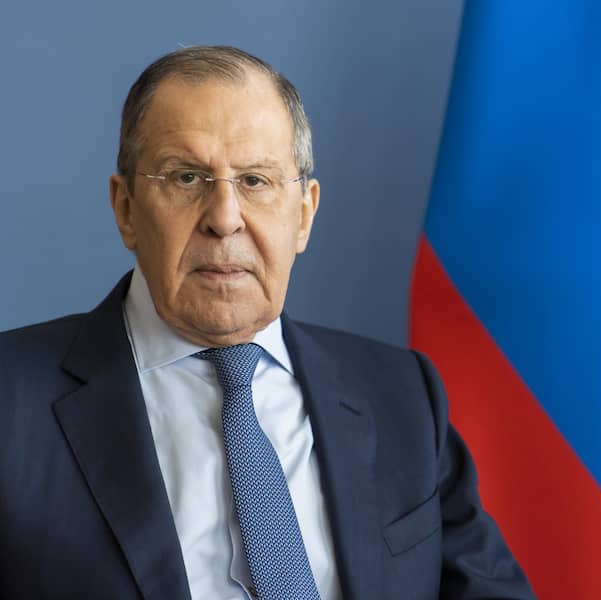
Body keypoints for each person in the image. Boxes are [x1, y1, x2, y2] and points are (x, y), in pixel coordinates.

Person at [0, 46, 534, 600]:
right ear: (127, 209)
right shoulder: (12, 402)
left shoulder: (401, 396)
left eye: (255, 180)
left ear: (303, 214)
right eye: (187, 178)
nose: (225, 218)